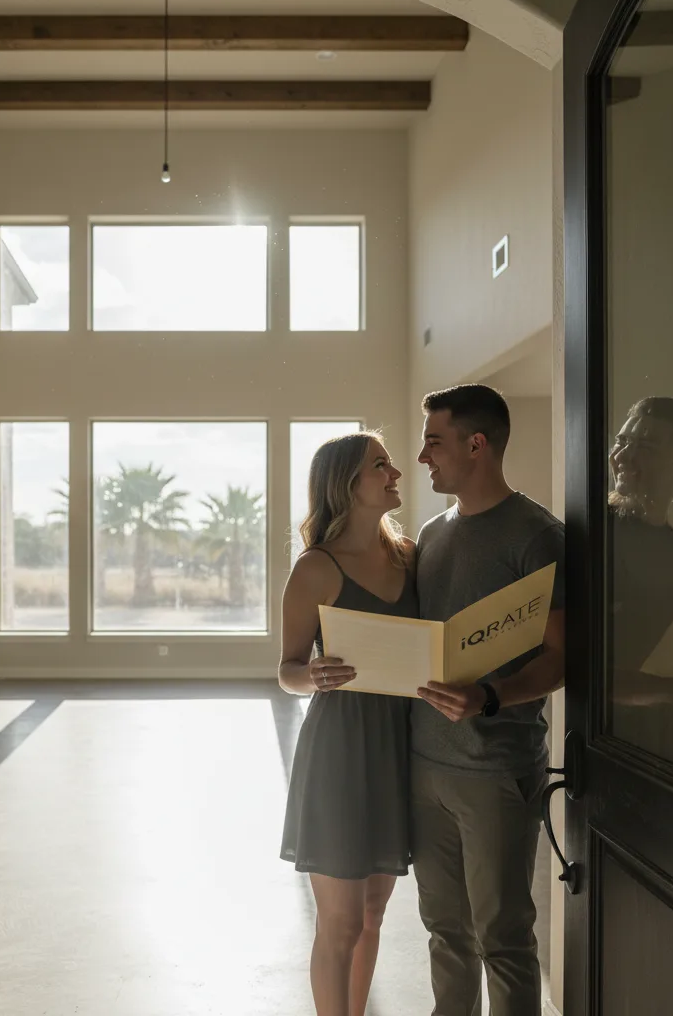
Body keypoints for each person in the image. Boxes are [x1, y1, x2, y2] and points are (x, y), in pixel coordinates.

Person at [412, 385, 565, 1016]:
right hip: (424, 767)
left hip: (497, 769)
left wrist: (490, 697)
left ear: (476, 445)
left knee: (501, 939)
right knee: (445, 933)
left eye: (433, 441)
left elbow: (562, 657)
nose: (422, 456)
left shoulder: (538, 536)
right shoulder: (429, 533)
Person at [278, 432, 416, 1016]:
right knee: (338, 924)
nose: (396, 474)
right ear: (346, 485)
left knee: (373, 914)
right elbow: (286, 671)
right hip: (338, 752)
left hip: (400, 746)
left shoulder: (412, 556)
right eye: (379, 466)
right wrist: (315, 677)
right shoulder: (315, 568)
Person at [608, 397, 673, 756]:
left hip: (638, 740)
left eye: (646, 447)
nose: (622, 457)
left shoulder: (670, 551)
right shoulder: (593, 530)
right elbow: (577, 667)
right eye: (621, 442)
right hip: (598, 737)